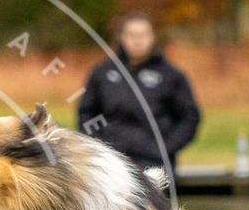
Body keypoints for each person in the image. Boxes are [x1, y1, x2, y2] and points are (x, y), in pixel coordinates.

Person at [77, 14, 200, 172]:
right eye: (132, 35)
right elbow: (86, 114)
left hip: (155, 164)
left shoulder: (171, 76)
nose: (137, 41)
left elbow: (189, 117)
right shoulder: (102, 73)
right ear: (121, 37)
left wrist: (164, 147)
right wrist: (102, 147)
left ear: (153, 37)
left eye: (143, 35)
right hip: (111, 164)